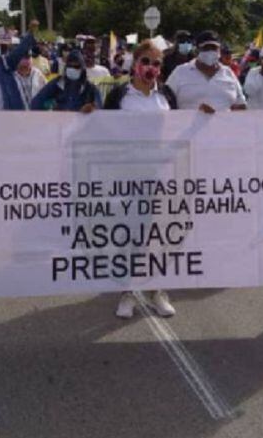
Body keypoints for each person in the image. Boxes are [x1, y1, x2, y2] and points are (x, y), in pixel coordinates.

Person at [102, 40, 178, 318]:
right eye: (146, 61)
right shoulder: (119, 95)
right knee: (129, 235)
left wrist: (203, 117)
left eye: (157, 64)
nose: (151, 68)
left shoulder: (167, 95)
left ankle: (157, 291)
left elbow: (179, 130)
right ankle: (128, 293)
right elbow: (100, 130)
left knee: (158, 236)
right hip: (126, 175)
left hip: (160, 176)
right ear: (135, 64)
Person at [164, 30, 246, 113]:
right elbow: (165, 102)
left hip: (224, 125)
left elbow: (241, 104)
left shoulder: (228, 73)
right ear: (197, 50)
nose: (210, 51)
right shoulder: (180, 72)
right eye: (206, 48)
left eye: (214, 48)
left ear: (219, 51)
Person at [30, 50, 101, 112]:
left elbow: (99, 106)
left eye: (76, 67)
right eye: (70, 66)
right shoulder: (57, 83)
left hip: (81, 125)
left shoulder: (89, 88)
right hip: (59, 124)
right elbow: (36, 102)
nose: (72, 69)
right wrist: (48, 107)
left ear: (82, 69)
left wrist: (92, 108)